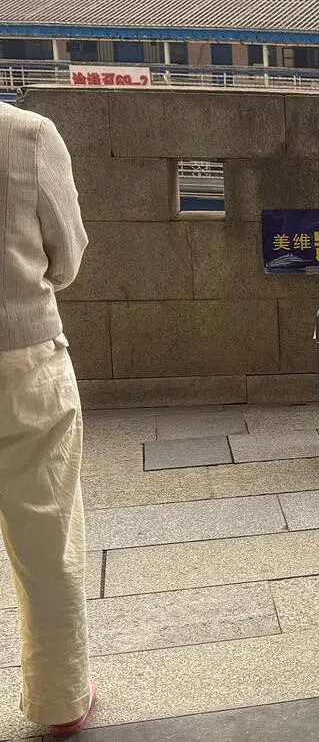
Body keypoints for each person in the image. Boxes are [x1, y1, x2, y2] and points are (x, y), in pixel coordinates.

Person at [0, 101, 94, 735]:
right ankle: (60, 704)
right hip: (23, 358)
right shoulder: (28, 135)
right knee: (47, 546)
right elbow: (68, 257)